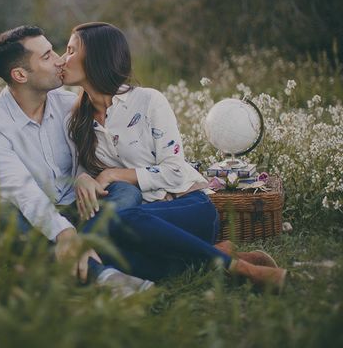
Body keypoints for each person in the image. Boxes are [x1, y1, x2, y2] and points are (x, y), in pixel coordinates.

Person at [58, 22, 287, 292]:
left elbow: (174, 170)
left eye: (71, 51)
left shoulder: (148, 101)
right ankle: (219, 256)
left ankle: (241, 269)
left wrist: (113, 174)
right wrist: (84, 178)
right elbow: (84, 180)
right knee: (103, 254)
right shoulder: (76, 121)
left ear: (96, 57)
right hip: (138, 227)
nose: (63, 59)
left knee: (119, 222)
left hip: (186, 207)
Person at [0, 25, 153, 296]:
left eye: (53, 51)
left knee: (124, 192)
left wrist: (82, 175)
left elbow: (89, 155)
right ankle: (102, 273)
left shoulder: (68, 104)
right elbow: (22, 192)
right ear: (20, 75)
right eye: (45, 57)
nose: (59, 60)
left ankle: (68, 263)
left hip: (78, 210)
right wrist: (64, 233)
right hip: (26, 219)